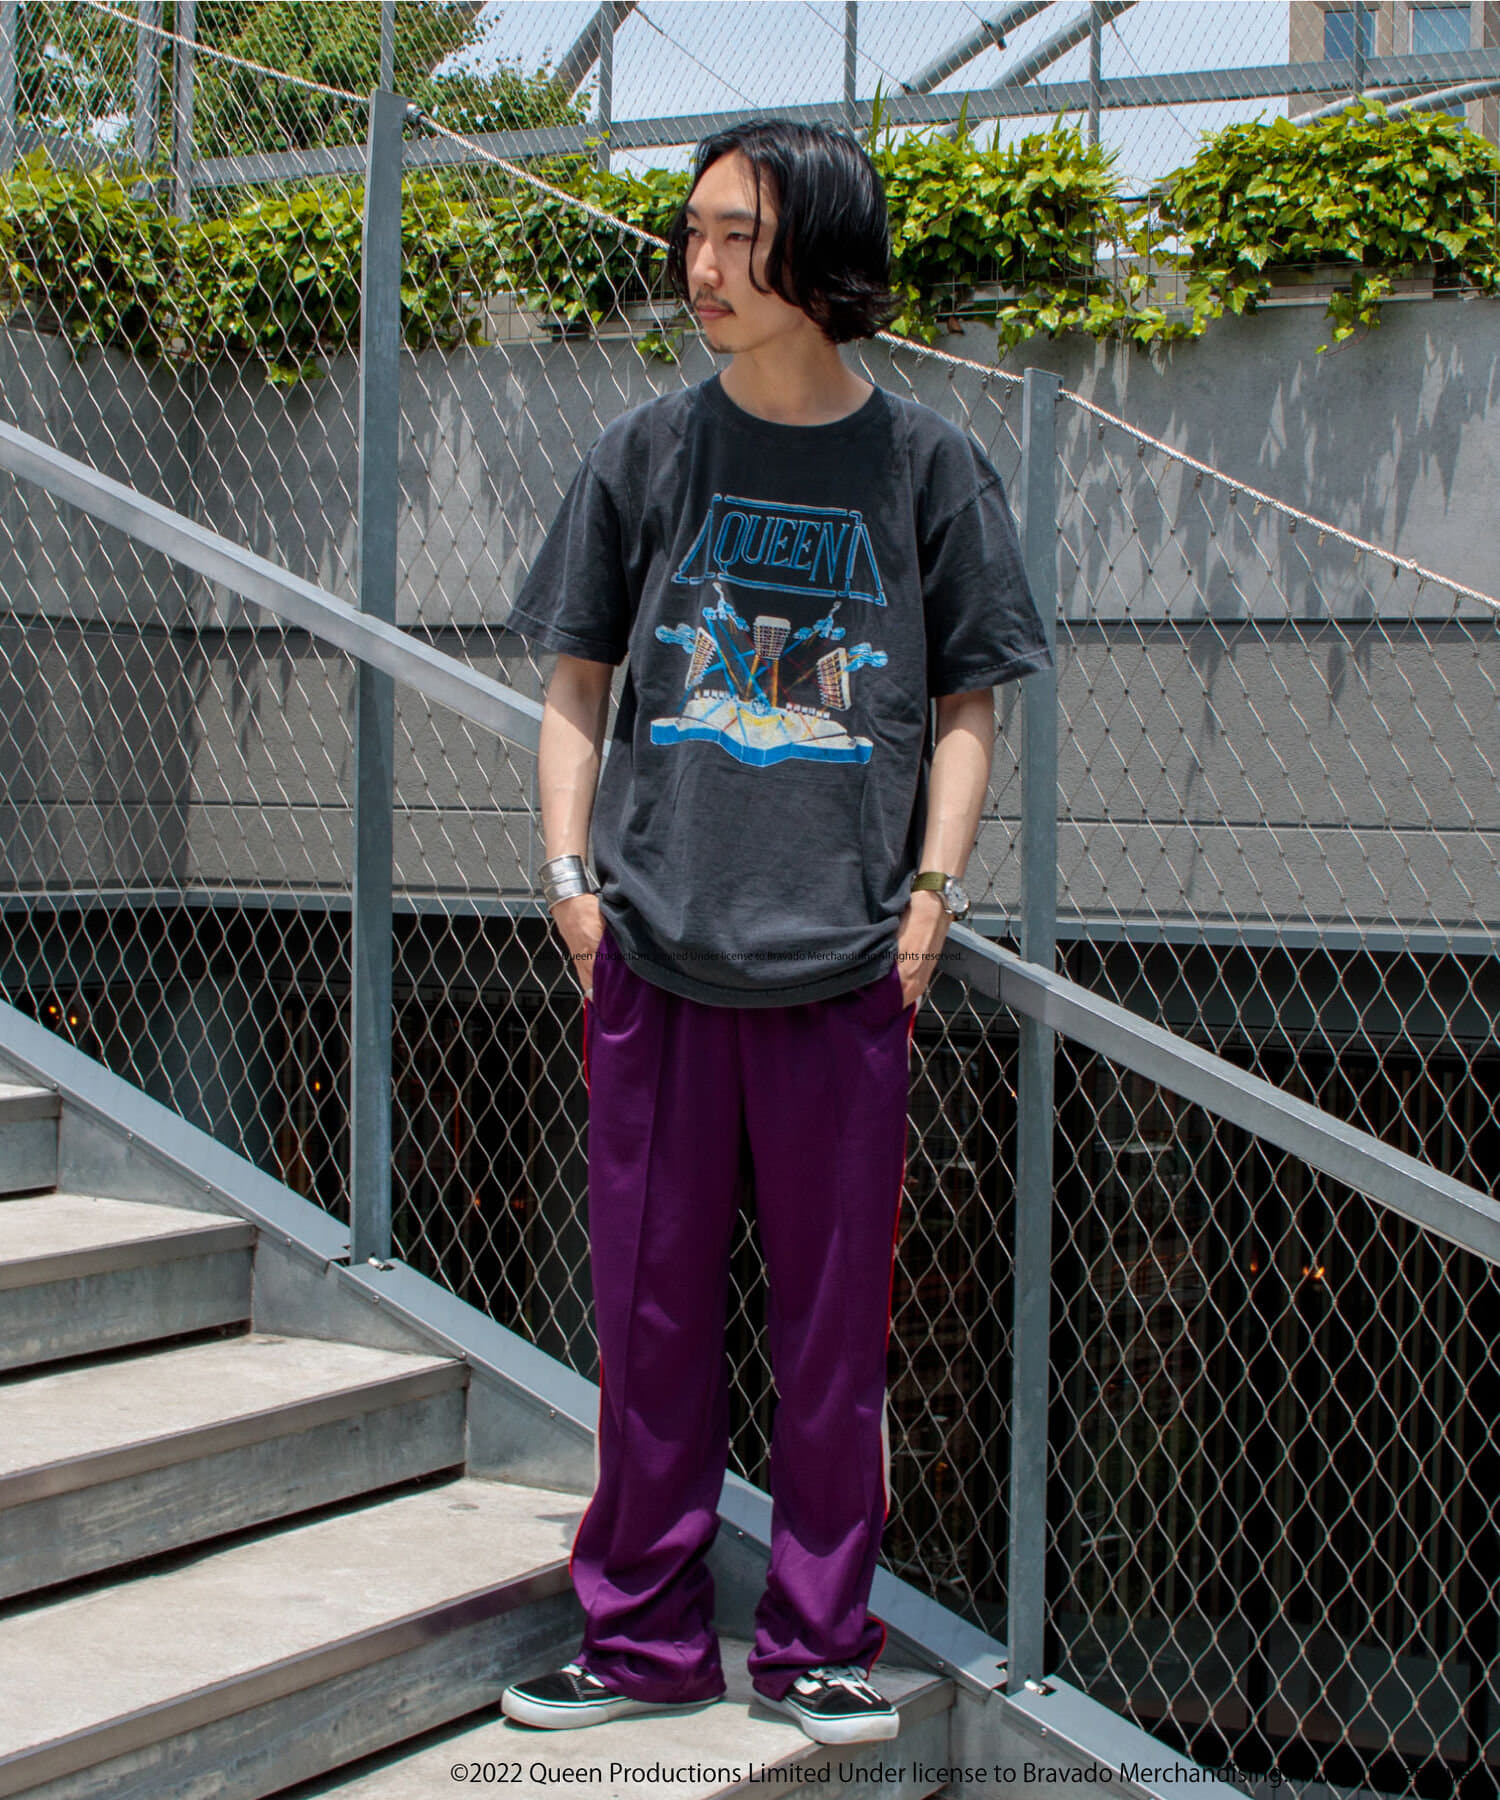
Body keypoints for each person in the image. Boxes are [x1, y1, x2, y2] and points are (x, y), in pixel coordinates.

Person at [498, 119, 1051, 1747]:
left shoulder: (929, 468)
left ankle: (817, 1649)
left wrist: (933, 894)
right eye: (693, 233)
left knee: (832, 1342)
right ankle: (641, 1645)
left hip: (842, 966)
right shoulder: (644, 453)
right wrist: (568, 879)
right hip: (654, 952)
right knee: (648, 1323)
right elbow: (577, 682)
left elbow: (969, 702)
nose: (705, 266)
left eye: (740, 235)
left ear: (822, 248)